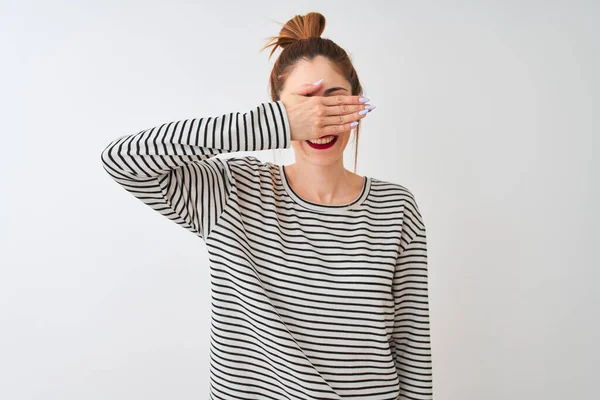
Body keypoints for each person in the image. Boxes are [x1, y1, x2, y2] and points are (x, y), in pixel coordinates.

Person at [100, 11, 432, 400]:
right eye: (305, 105)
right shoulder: (231, 192)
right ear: (278, 111)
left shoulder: (395, 206)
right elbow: (122, 158)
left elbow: (412, 348)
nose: (320, 118)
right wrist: (277, 124)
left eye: (334, 100)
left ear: (357, 105)